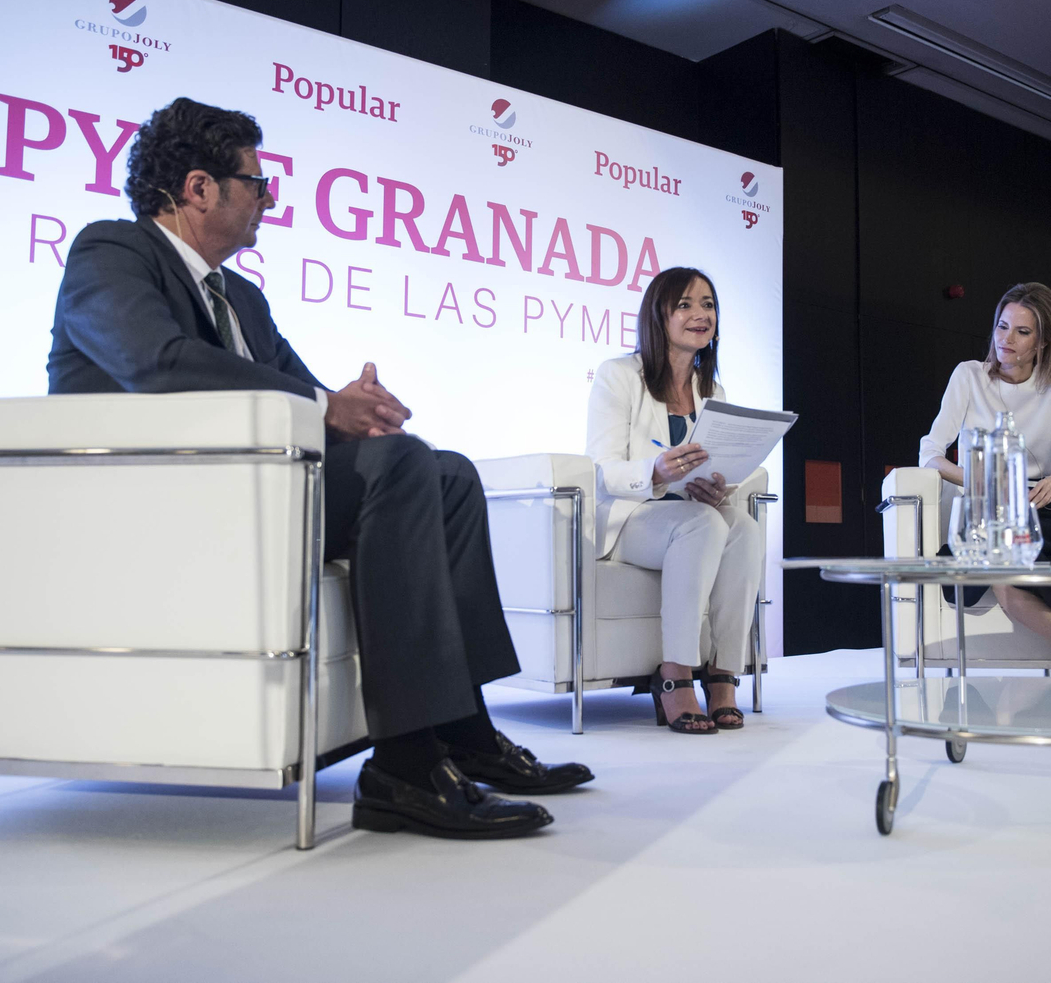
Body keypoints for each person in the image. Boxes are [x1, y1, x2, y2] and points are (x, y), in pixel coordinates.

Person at [47, 97, 592, 839]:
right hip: (164, 505)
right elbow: (156, 363)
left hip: (252, 495)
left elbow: (317, 402)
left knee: (448, 473)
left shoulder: (243, 296)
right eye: (258, 184)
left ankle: (462, 734)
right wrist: (324, 404)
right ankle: (403, 768)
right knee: (402, 466)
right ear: (200, 188)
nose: (269, 199)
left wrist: (356, 409)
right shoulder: (110, 252)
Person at [918, 281, 1051, 681]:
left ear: (1042, 342)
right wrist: (983, 479)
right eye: (1002, 327)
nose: (1007, 340)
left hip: (1036, 514)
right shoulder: (969, 376)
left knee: (1009, 581)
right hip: (983, 514)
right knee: (1004, 574)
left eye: (1022, 332)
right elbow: (930, 454)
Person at [586, 268, 764, 733]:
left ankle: (724, 672)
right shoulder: (619, 375)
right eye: (684, 304)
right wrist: (656, 472)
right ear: (658, 315)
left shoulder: (712, 392)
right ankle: (676, 674)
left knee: (743, 528)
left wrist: (713, 487)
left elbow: (705, 470)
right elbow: (601, 468)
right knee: (702, 526)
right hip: (628, 518)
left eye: (707, 304)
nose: (699, 314)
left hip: (682, 511)